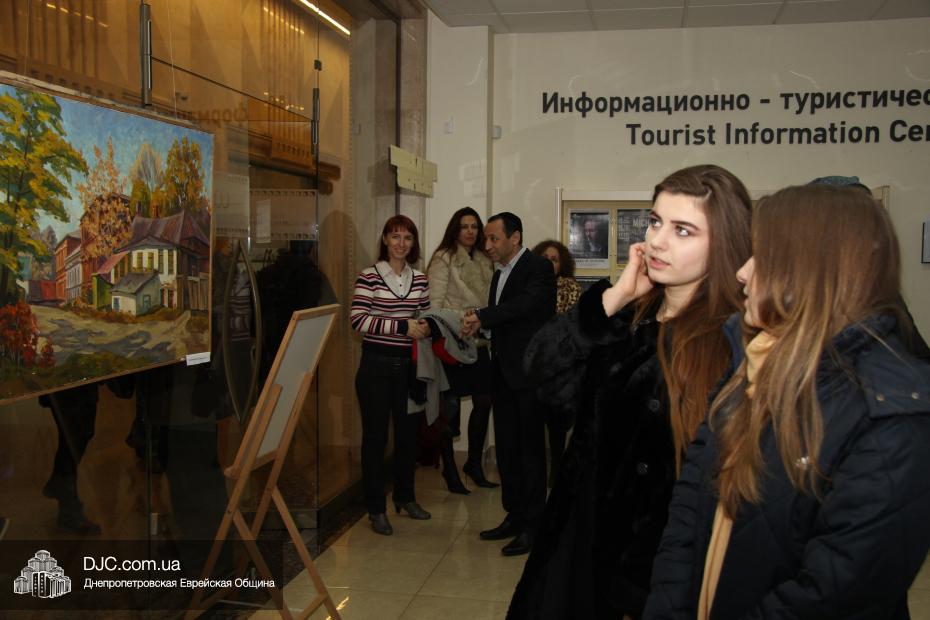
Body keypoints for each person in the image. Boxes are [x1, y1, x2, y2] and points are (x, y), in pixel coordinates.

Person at [644, 185, 930, 620]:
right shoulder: (753, 362)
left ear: (812, 270)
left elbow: (833, 593)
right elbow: (689, 509)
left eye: (762, 257)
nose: (742, 273)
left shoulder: (892, 415)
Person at [508, 165, 752, 619]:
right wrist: (615, 296)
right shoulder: (625, 319)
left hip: (653, 571)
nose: (658, 241)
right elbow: (539, 371)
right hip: (580, 544)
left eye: (683, 230)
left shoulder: (731, 343)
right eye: (656, 222)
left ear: (724, 243)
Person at [462, 212, 556, 556]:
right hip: (502, 375)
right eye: (485, 239)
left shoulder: (538, 267)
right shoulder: (499, 272)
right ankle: (514, 516)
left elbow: (526, 307)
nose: (487, 245)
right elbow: (507, 322)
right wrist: (483, 327)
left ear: (515, 238)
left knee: (530, 453)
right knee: (507, 450)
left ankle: (533, 525)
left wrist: (483, 316)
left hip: (528, 377)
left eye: (493, 238)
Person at [351, 215, 432, 536]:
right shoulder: (369, 276)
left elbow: (424, 315)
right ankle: (375, 509)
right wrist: (401, 326)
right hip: (375, 367)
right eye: (395, 236)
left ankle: (405, 497)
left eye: (407, 237)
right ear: (385, 239)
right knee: (375, 439)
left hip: (409, 368)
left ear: (413, 243)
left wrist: (427, 326)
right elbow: (358, 320)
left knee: (408, 437)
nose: (401, 243)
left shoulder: (420, 279)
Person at [427, 207, 497, 493]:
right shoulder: (443, 258)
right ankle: (450, 469)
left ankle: (474, 463)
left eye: (474, 226)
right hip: (453, 343)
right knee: (450, 408)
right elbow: (434, 306)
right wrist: (465, 319)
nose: (470, 231)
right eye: (464, 226)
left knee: (484, 401)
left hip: (479, 343)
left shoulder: (485, 259)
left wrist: (482, 321)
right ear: (455, 230)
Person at [531, 239, 581, 485]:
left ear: (562, 265)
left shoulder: (571, 288)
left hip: (561, 368)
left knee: (558, 427)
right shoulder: (528, 287)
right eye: (545, 258)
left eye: (555, 259)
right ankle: (535, 474)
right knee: (532, 425)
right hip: (533, 367)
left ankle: (557, 472)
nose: (550, 263)